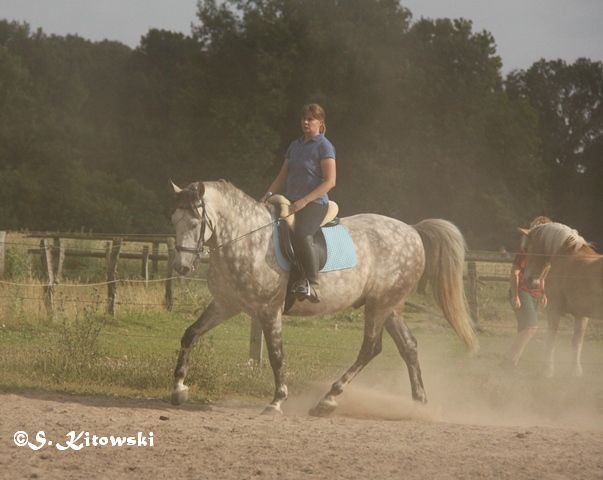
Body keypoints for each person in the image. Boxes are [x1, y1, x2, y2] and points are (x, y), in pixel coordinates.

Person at [260, 103, 336, 303]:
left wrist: (304, 200)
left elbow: (330, 181)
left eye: (310, 119)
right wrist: (266, 195)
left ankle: (312, 283)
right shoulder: (295, 146)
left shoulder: (324, 146)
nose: (305, 122)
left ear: (321, 122)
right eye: (303, 118)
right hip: (290, 201)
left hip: (315, 203)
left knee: (302, 234)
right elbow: (282, 176)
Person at [502, 215, 552, 367]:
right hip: (522, 291)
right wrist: (516, 295)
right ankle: (509, 359)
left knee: (524, 328)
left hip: (535, 293)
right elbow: (515, 273)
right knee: (531, 327)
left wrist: (543, 293)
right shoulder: (524, 252)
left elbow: (543, 276)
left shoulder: (545, 255)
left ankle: (512, 363)